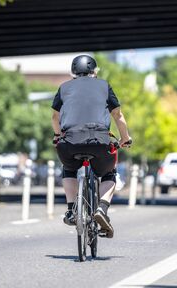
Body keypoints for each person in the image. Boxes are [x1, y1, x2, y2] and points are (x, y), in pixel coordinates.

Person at [51, 55, 131, 238]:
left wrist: (57, 136)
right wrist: (125, 138)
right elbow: (118, 115)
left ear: (73, 72)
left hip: (69, 142)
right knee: (109, 172)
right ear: (94, 71)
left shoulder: (63, 88)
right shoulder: (104, 86)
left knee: (69, 169)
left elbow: (55, 117)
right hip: (99, 142)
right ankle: (102, 209)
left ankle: (71, 210)